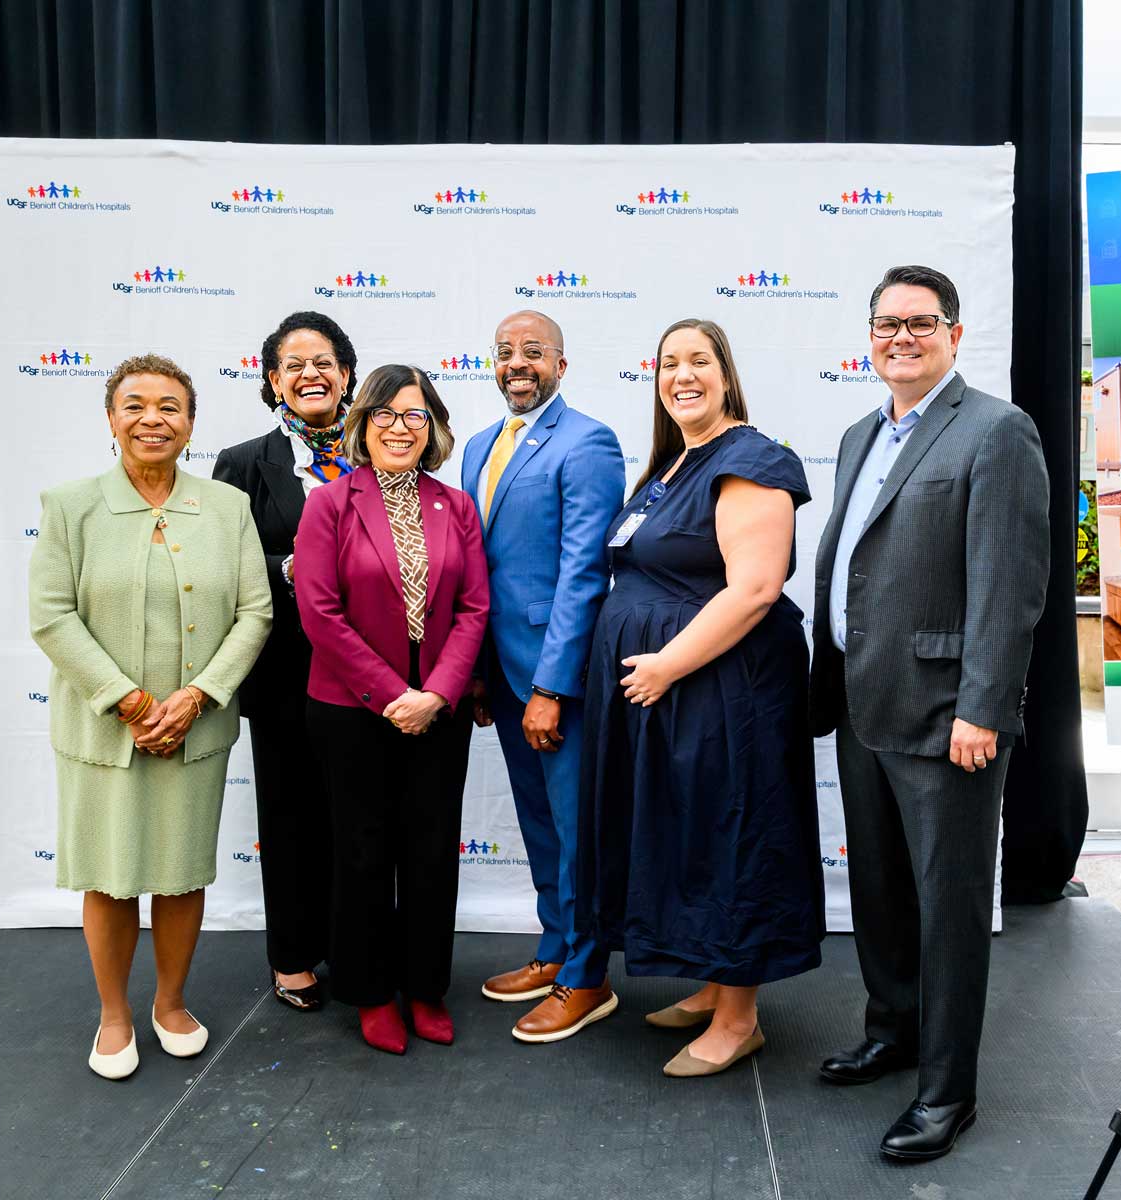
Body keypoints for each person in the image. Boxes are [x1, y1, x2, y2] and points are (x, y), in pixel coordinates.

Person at [810, 265, 1049, 1160]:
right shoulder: (857, 433)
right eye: (885, 323)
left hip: (949, 715)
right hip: (864, 702)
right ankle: (893, 1031)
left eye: (918, 322)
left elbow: (1009, 588)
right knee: (878, 890)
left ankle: (948, 1092)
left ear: (954, 332)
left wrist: (983, 707)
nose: (899, 337)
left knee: (948, 908)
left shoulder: (995, 429)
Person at [579, 318, 823, 1077]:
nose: (682, 375)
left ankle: (740, 1017)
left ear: (726, 373)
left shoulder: (751, 460)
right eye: (669, 364)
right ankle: (717, 983)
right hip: (673, 692)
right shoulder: (671, 466)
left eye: (699, 361)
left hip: (724, 690)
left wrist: (667, 666)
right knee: (689, 833)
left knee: (732, 835)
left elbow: (754, 588)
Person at [28, 353, 272, 1081]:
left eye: (169, 406)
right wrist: (132, 703)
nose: (152, 418)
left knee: (178, 871)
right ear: (111, 420)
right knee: (108, 876)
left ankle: (170, 1002)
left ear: (191, 422)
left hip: (194, 731)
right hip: (104, 731)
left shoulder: (226, 507)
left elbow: (255, 612)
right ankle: (112, 1013)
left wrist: (195, 698)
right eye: (134, 405)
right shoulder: (72, 504)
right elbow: (50, 616)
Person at [296, 364, 488, 1054]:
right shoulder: (330, 504)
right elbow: (318, 611)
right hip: (351, 709)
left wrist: (435, 693)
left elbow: (474, 608)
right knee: (363, 852)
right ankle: (371, 991)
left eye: (415, 415)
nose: (400, 428)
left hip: (438, 709)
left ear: (432, 427)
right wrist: (391, 695)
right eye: (386, 415)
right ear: (362, 424)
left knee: (433, 851)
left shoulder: (456, 506)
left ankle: (426, 987)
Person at [460, 310, 626, 1043]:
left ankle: (587, 978)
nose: (516, 363)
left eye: (532, 351)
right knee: (538, 823)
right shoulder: (475, 447)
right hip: (496, 672)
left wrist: (552, 687)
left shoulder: (588, 441)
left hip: (556, 676)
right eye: (504, 353)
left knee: (575, 827)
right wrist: (471, 674)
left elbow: (585, 573)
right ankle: (555, 948)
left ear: (561, 363)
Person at [213, 311, 359, 1014]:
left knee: (363, 818)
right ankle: (294, 956)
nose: (311, 374)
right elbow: (224, 569)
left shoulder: (383, 449)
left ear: (348, 374)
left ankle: (359, 949)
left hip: (374, 676)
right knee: (293, 813)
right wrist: (295, 567)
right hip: (284, 675)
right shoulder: (243, 463)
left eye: (324, 361)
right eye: (294, 364)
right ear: (273, 380)